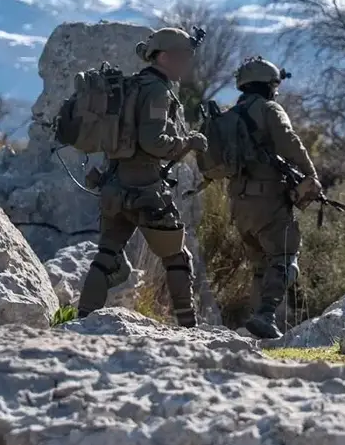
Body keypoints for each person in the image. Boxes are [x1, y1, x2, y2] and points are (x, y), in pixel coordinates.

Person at [77, 27, 208, 326]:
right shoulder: (158, 91)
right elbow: (154, 142)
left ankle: (81, 321)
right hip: (146, 189)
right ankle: (190, 328)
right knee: (177, 258)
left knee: (106, 256)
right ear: (164, 57)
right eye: (182, 57)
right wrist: (188, 142)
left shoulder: (131, 86)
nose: (186, 64)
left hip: (114, 186)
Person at [224, 56, 323, 340]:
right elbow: (290, 142)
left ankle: (257, 327)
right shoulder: (269, 109)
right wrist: (311, 175)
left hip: (239, 205)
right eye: (274, 86)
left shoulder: (229, 116)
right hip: (268, 202)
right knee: (284, 258)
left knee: (260, 266)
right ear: (268, 85)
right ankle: (265, 315)